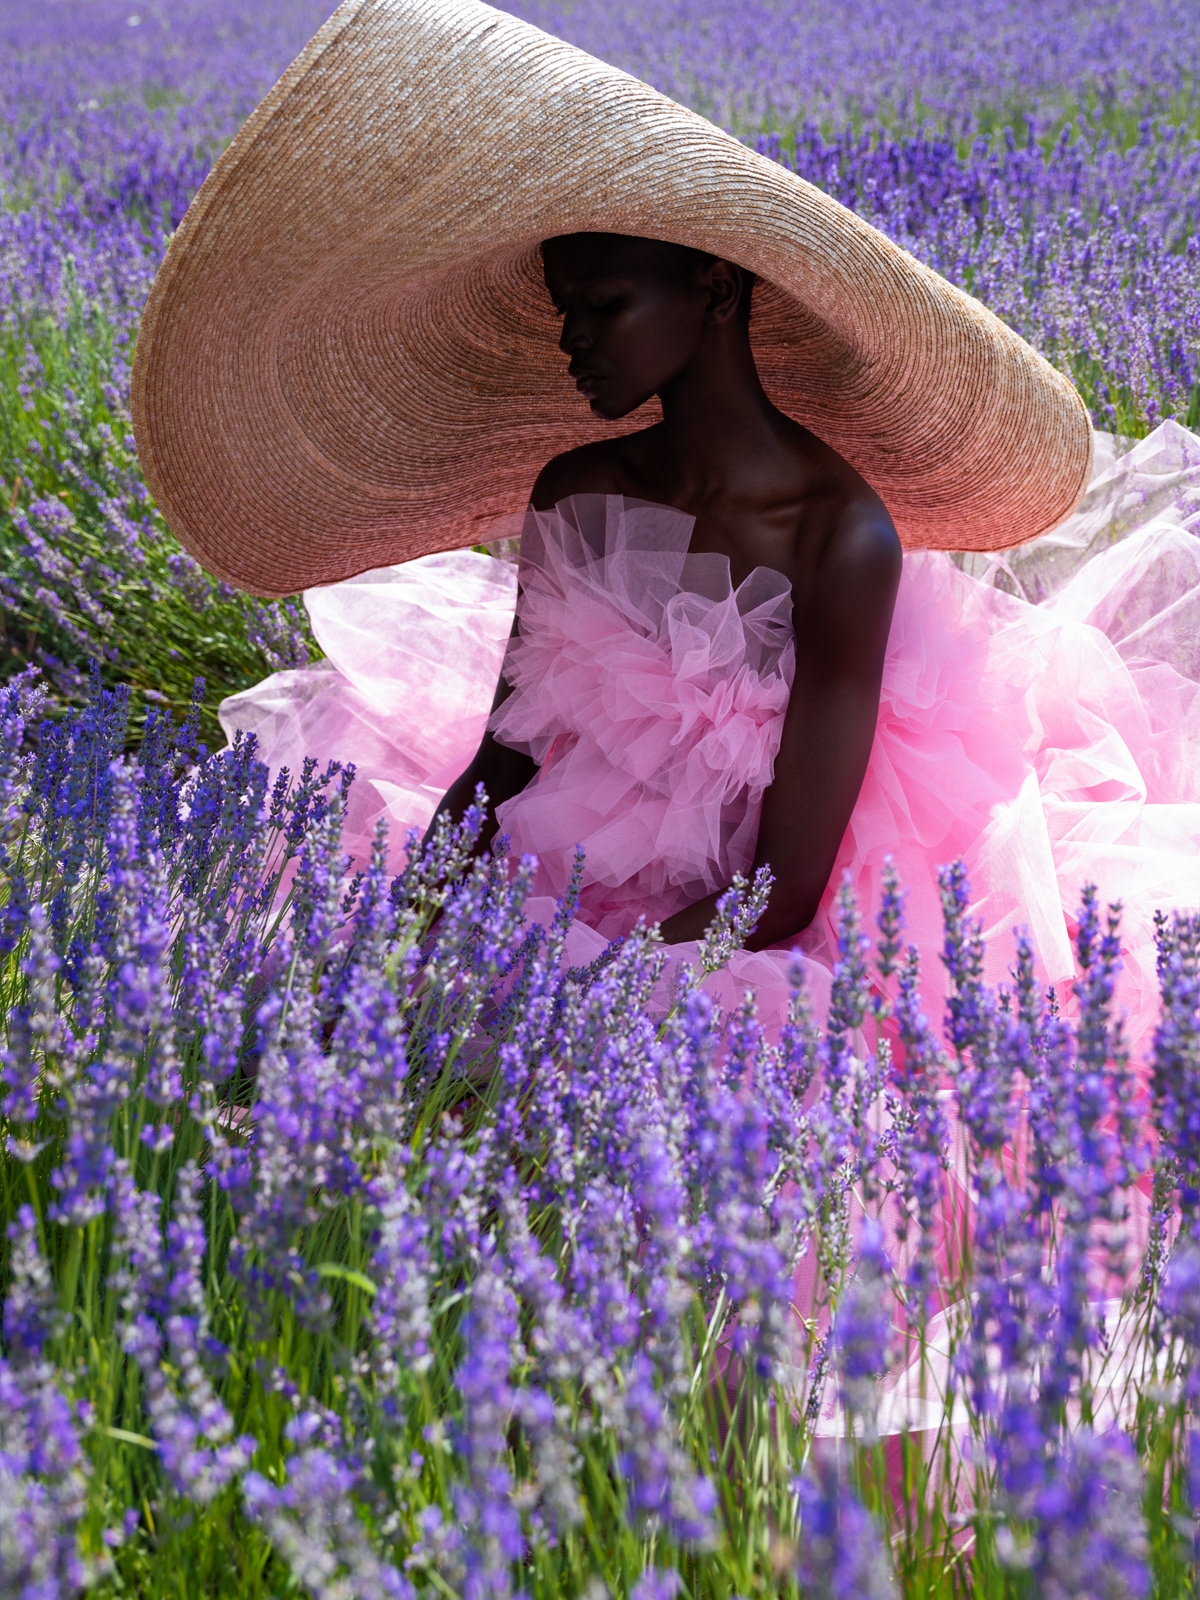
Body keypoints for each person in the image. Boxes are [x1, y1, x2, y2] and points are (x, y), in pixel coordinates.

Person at [429, 231, 902, 954]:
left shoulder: (840, 536)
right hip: (559, 895)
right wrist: (393, 939)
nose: (570, 337)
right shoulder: (577, 493)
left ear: (717, 291)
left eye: (602, 303)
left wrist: (581, 992)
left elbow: (782, 892)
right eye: (563, 308)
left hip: (719, 950)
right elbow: (498, 769)